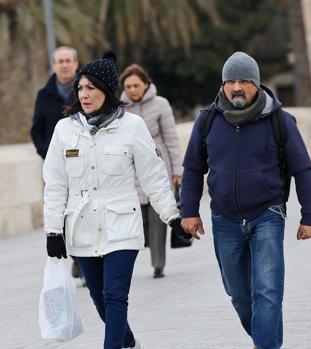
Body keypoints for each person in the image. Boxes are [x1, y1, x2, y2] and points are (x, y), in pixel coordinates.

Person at [43, 51, 186, 349]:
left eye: (91, 88)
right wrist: (53, 231)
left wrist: (172, 216)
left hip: (122, 226)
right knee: (99, 299)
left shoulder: (132, 127)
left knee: (115, 296)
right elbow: (55, 184)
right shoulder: (64, 130)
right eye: (80, 88)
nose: (84, 94)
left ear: (106, 91)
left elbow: (153, 176)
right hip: (81, 227)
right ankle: (128, 341)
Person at [180, 51, 311, 349]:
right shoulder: (207, 121)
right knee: (239, 293)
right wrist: (189, 211)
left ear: (256, 83)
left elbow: (303, 169)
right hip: (224, 219)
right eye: (230, 81)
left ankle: (265, 345)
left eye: (243, 80)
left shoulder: (280, 120)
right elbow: (193, 168)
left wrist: (310, 217)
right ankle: (263, 339)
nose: (236, 87)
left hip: (267, 213)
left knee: (267, 290)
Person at [120, 64, 183, 279]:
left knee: (158, 217)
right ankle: (145, 247)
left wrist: (177, 170)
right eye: (128, 86)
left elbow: (172, 139)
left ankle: (158, 263)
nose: (132, 90)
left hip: (158, 164)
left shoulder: (161, 104)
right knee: (140, 219)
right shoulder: (120, 107)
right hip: (131, 168)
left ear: (146, 84)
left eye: (136, 85)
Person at [30, 46, 85, 282]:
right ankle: (76, 256)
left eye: (68, 61)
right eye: (59, 61)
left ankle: (83, 261)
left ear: (75, 64)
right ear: (54, 65)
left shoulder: (86, 90)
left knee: (83, 211)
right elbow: (36, 130)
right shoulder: (44, 95)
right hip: (55, 168)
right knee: (60, 214)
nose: (64, 65)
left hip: (83, 163)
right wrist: (48, 154)